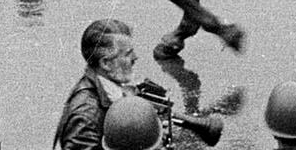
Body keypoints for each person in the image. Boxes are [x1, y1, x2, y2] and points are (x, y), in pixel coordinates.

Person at [55, 19, 222, 150]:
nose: (135, 57)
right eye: (128, 54)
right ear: (106, 63)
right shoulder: (85, 117)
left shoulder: (112, 87)